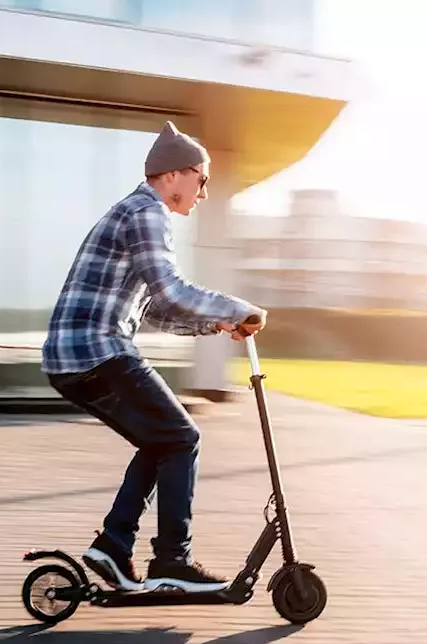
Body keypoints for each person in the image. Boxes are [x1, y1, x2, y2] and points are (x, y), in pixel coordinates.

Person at [42, 121, 266, 595]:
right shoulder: (147, 212)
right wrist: (238, 308)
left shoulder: (133, 212)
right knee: (182, 438)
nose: (204, 193)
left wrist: (216, 324)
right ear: (175, 174)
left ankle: (113, 546)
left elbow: (159, 311)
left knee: (164, 441)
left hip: (76, 359)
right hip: (96, 352)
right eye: (202, 180)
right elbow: (172, 289)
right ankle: (171, 562)